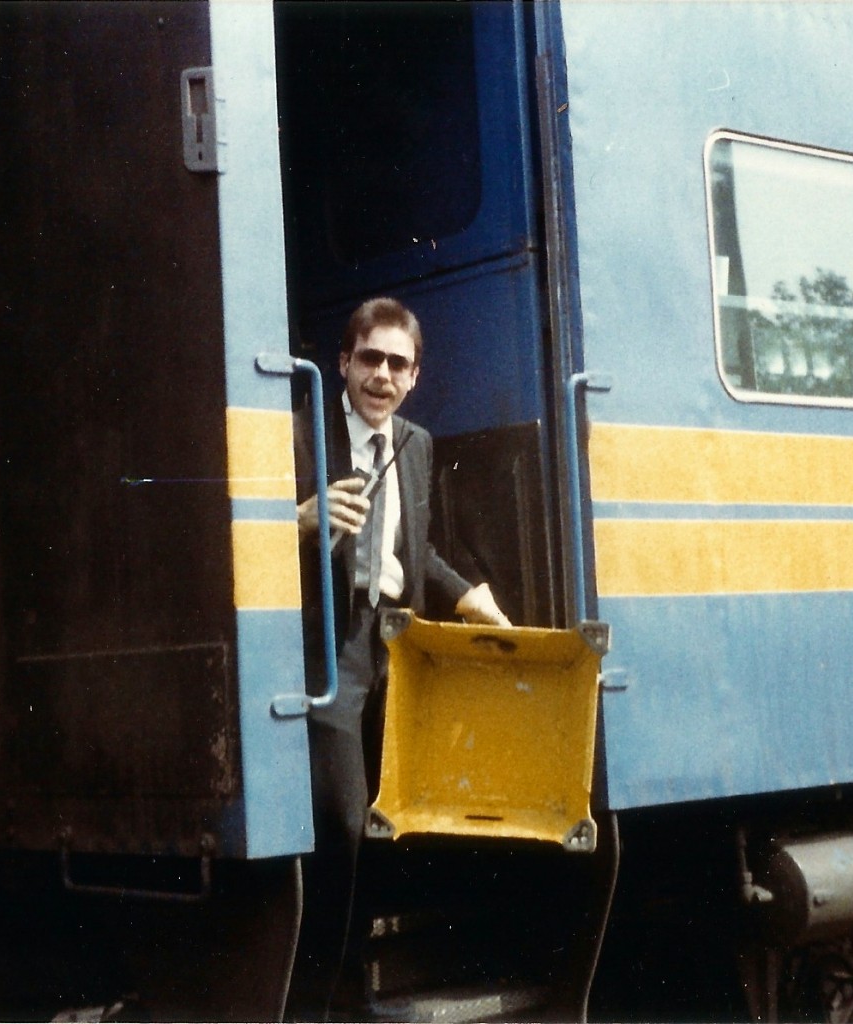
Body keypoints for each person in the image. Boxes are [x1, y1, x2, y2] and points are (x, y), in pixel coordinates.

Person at [287, 297, 509, 1020]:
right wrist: (301, 523)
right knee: (344, 830)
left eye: (398, 364)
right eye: (370, 359)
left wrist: (469, 594)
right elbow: (239, 535)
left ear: (414, 377)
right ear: (343, 364)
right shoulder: (299, 436)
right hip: (333, 645)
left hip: (398, 644)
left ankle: (359, 990)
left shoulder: (415, 444)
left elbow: (417, 551)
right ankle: (323, 1002)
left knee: (390, 824)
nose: (382, 376)